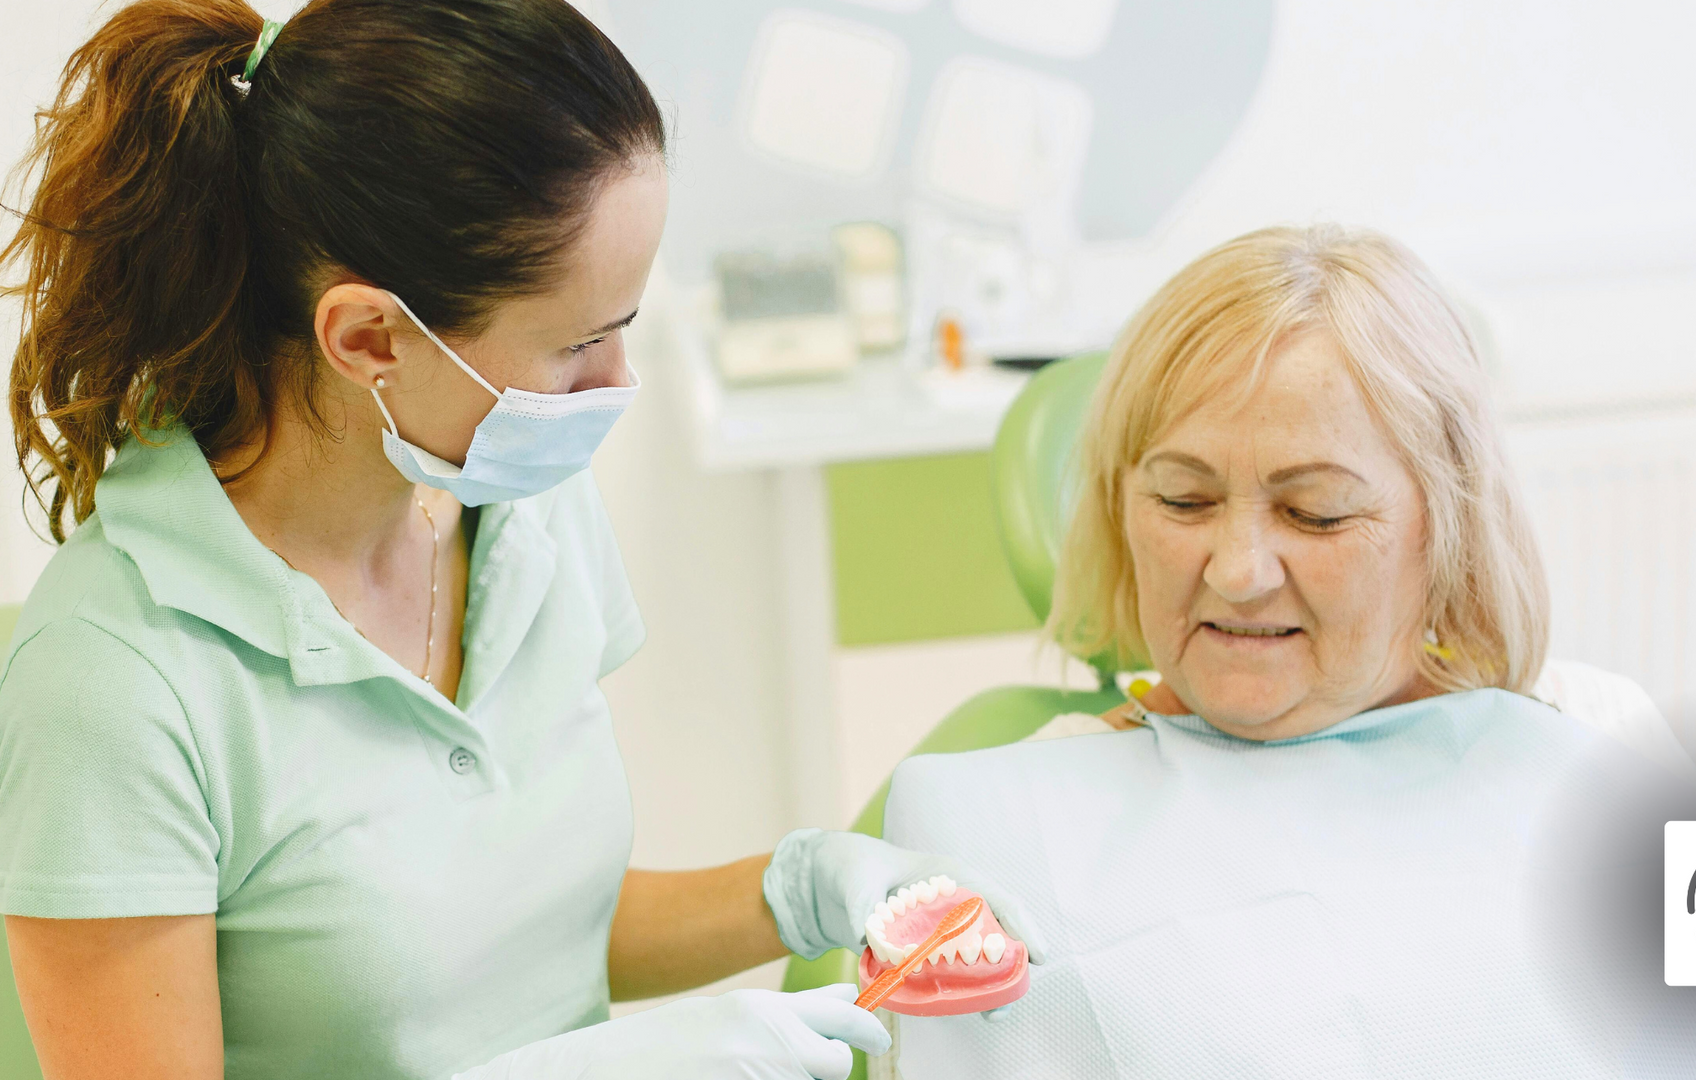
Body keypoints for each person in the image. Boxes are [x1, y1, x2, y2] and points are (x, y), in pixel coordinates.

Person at [0, 3, 1040, 1078]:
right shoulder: (114, 684)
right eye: (579, 343)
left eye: (625, 327)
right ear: (369, 338)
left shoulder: (520, 514)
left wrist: (801, 888)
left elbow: (527, 933)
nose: (615, 385)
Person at [868, 224, 1696, 1078]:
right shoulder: (1019, 823)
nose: (1239, 569)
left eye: (1317, 512)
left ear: (1445, 525)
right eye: (1183, 500)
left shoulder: (1616, 730)